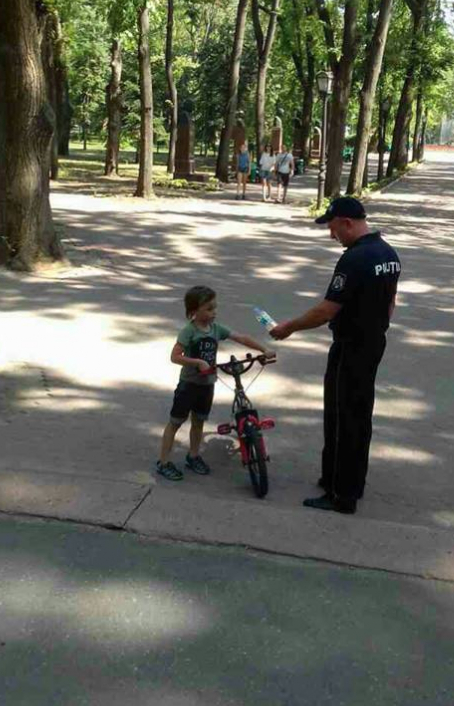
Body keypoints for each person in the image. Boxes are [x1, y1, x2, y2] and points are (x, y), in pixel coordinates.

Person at [270, 198, 401, 514]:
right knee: (358, 413)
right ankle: (344, 479)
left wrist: (289, 328)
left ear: (346, 222)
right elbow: (391, 303)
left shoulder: (354, 259)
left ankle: (341, 495)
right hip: (372, 342)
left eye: (332, 228)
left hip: (351, 345)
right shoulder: (388, 254)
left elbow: (326, 311)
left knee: (343, 417)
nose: (332, 236)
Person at [157, 285, 275, 481]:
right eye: (209, 308)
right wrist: (198, 362)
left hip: (207, 384)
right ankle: (163, 462)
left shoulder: (216, 329)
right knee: (175, 422)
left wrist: (263, 349)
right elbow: (175, 356)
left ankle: (193, 456)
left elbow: (241, 337)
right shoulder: (189, 331)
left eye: (215, 308)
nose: (214, 312)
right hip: (189, 385)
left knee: (199, 421)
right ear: (194, 311)